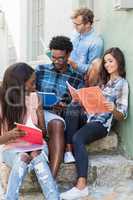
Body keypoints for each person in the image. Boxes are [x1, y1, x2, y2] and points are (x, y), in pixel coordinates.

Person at [60, 47, 129, 200]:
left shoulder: (122, 84)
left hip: (101, 123)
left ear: (119, 62)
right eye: (105, 62)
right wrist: (80, 99)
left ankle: (82, 185)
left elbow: (122, 115)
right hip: (89, 116)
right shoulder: (104, 82)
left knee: (79, 138)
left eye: (110, 61)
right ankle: (68, 151)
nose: (107, 65)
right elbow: (92, 102)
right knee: (73, 106)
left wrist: (113, 109)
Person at [0, 63, 59, 200]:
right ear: (19, 84)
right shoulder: (3, 104)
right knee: (23, 157)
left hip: (36, 146)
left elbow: (44, 132)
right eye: (32, 83)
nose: (35, 86)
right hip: (12, 149)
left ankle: (53, 197)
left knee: (35, 154)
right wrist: (9, 135)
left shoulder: (35, 97)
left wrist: (38, 129)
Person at [35, 35, 83, 178]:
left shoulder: (77, 77)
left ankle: (50, 179)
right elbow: (29, 91)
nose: (56, 61)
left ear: (68, 54)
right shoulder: (41, 70)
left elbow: (78, 101)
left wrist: (66, 104)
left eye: (60, 58)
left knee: (57, 123)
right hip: (39, 111)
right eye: (53, 57)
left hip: (60, 115)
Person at [68, 7, 104, 74]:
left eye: (77, 24)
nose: (74, 26)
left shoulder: (96, 42)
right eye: (74, 23)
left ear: (88, 24)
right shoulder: (74, 33)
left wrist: (75, 65)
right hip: (65, 71)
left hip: (79, 77)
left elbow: (93, 69)